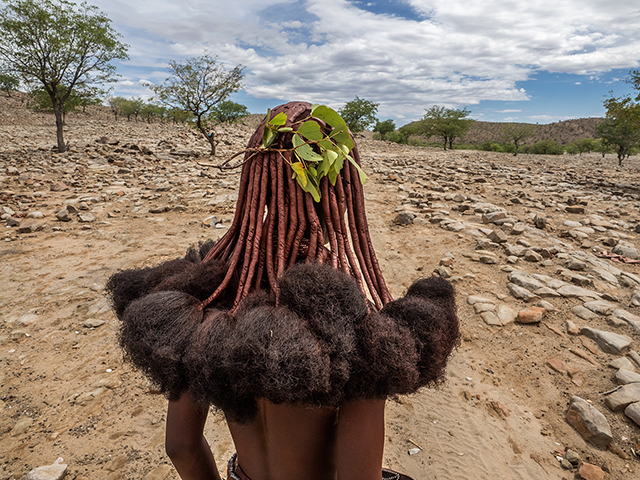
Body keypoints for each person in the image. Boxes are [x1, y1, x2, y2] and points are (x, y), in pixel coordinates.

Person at [107, 102, 459, 480]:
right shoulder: (352, 329)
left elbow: (181, 446)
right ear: (341, 189)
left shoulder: (210, 302)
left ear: (253, 180)